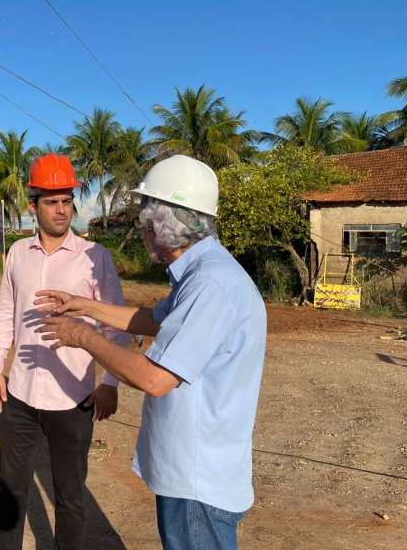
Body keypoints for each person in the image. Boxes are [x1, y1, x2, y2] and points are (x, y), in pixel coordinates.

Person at [36, 154, 267, 550]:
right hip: (194, 471)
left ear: (165, 226)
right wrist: (85, 305)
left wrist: (85, 337)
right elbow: (154, 319)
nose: (143, 232)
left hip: (198, 482)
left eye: (146, 222)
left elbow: (155, 378)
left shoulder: (210, 284)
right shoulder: (202, 272)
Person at [0, 153, 131, 550]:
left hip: (74, 398)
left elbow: (115, 323)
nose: (62, 209)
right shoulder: (18, 253)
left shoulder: (94, 255)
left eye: (67, 200)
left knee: (70, 496)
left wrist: (111, 383)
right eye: (52, 202)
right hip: (20, 396)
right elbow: (5, 313)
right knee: (10, 492)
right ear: (33, 206)